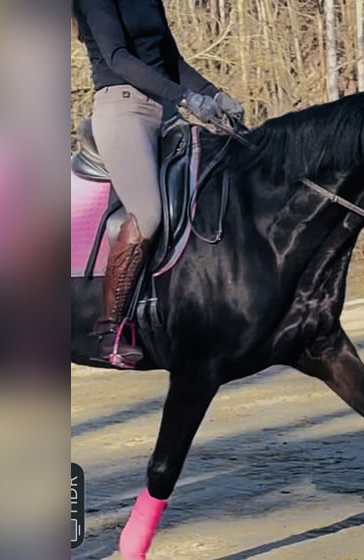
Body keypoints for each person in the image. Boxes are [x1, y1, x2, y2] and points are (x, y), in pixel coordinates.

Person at [72, 0, 244, 366]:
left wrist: (215, 94)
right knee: (147, 214)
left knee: (213, 181)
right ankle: (110, 330)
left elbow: (172, 61)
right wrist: (184, 97)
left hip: (165, 111)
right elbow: (118, 57)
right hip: (122, 109)